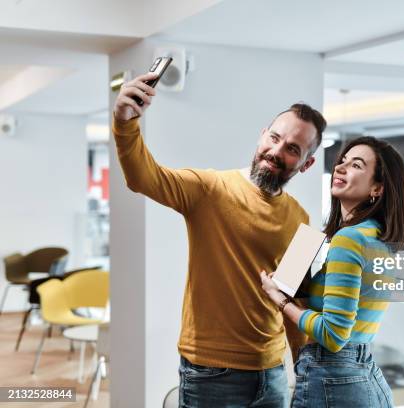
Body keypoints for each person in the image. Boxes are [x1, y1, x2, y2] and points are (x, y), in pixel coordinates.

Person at [112, 71, 327, 407]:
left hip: (272, 373)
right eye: (274, 137)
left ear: (307, 163)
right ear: (261, 136)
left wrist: (304, 372)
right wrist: (125, 122)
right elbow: (143, 177)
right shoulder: (210, 189)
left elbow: (293, 304)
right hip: (211, 373)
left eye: (292, 148)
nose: (276, 151)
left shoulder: (302, 219)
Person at [261, 136, 404, 407]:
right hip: (365, 377)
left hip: (334, 378)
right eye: (342, 162)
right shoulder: (377, 238)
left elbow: (333, 334)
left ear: (377, 188)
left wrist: (279, 299)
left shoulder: (348, 239)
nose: (341, 168)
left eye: (356, 165)